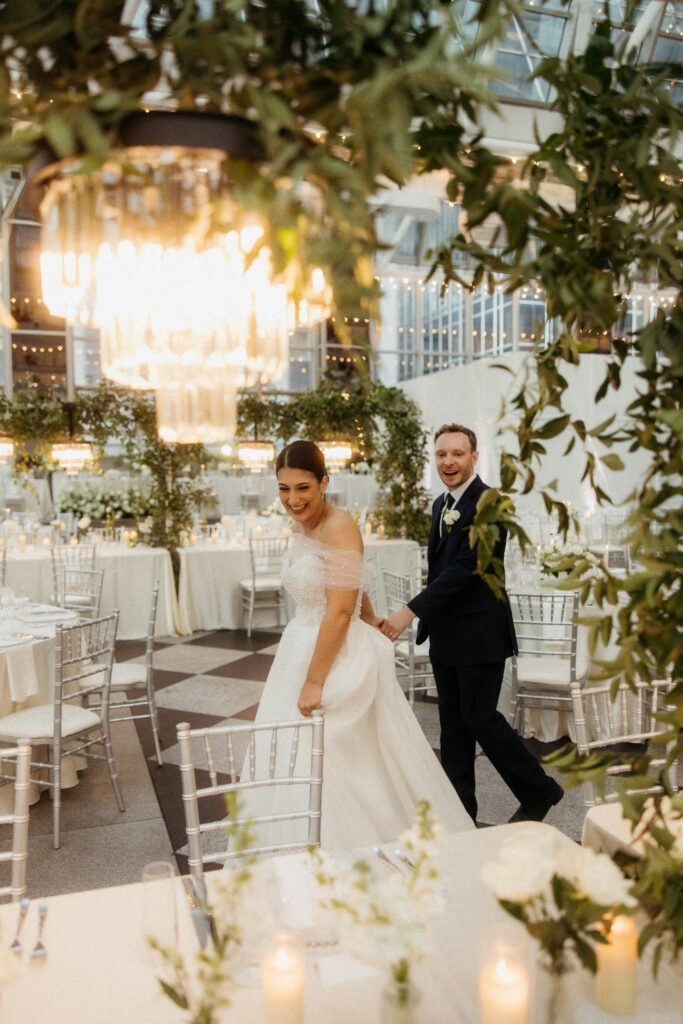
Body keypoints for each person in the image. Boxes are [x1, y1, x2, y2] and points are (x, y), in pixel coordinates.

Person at [241, 439, 474, 851]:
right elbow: (347, 576)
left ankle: (356, 852)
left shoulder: (340, 525)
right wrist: (369, 614)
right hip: (302, 642)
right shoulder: (303, 522)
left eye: (302, 488)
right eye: (284, 488)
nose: (292, 499)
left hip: (334, 654)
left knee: (341, 758)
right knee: (297, 754)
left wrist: (314, 682)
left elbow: (336, 611)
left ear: (324, 483)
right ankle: (295, 848)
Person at [381, 423, 563, 825]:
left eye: (457, 454)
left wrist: (410, 611)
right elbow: (440, 570)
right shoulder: (439, 505)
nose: (448, 461)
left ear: (474, 457)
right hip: (447, 635)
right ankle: (459, 814)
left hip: (481, 634)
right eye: (442, 454)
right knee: (452, 730)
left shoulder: (491, 503)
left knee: (480, 718)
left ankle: (540, 789)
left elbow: (467, 568)